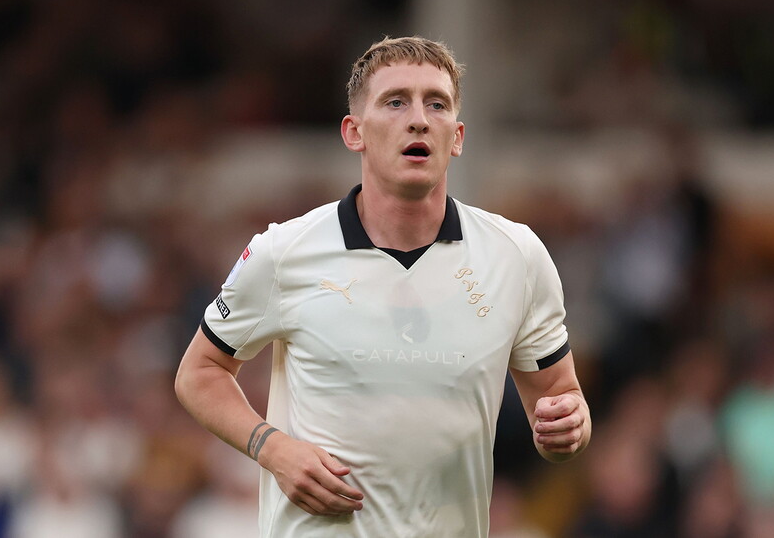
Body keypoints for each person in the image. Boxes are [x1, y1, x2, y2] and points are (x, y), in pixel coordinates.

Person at [174, 35, 591, 537]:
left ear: (456, 137)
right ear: (355, 132)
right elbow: (199, 372)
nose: (418, 118)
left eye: (435, 104)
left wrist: (568, 427)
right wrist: (273, 448)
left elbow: (560, 400)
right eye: (395, 102)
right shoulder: (284, 252)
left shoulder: (516, 256)